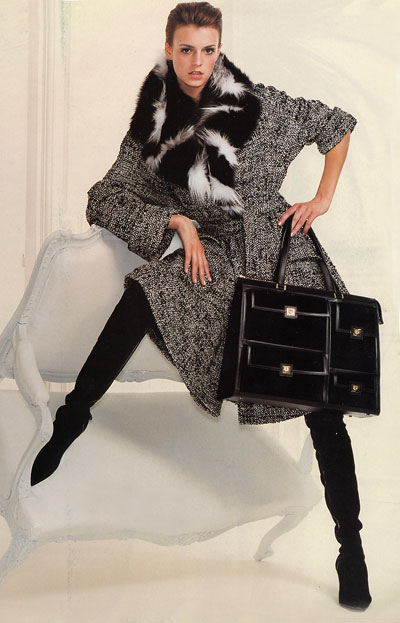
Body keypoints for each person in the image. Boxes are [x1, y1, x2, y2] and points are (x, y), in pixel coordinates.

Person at [30, 1, 371, 611]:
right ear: (169, 50)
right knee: (148, 289)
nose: (197, 62)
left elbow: (337, 125)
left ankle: (351, 546)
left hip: (281, 253)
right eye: (186, 49)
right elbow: (104, 196)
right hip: (214, 256)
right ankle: (72, 418)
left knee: (322, 402)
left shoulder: (262, 104)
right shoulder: (154, 129)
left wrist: (321, 199)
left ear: (220, 50)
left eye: (208, 49)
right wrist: (175, 220)